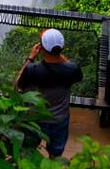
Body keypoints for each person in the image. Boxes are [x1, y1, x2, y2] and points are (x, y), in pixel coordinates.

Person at [14, 28, 84, 159]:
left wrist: (30, 58)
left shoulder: (32, 69)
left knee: (28, 150)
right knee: (56, 154)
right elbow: (71, 67)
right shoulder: (72, 69)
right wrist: (57, 55)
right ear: (61, 48)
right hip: (59, 119)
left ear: (42, 48)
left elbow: (17, 84)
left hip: (35, 119)